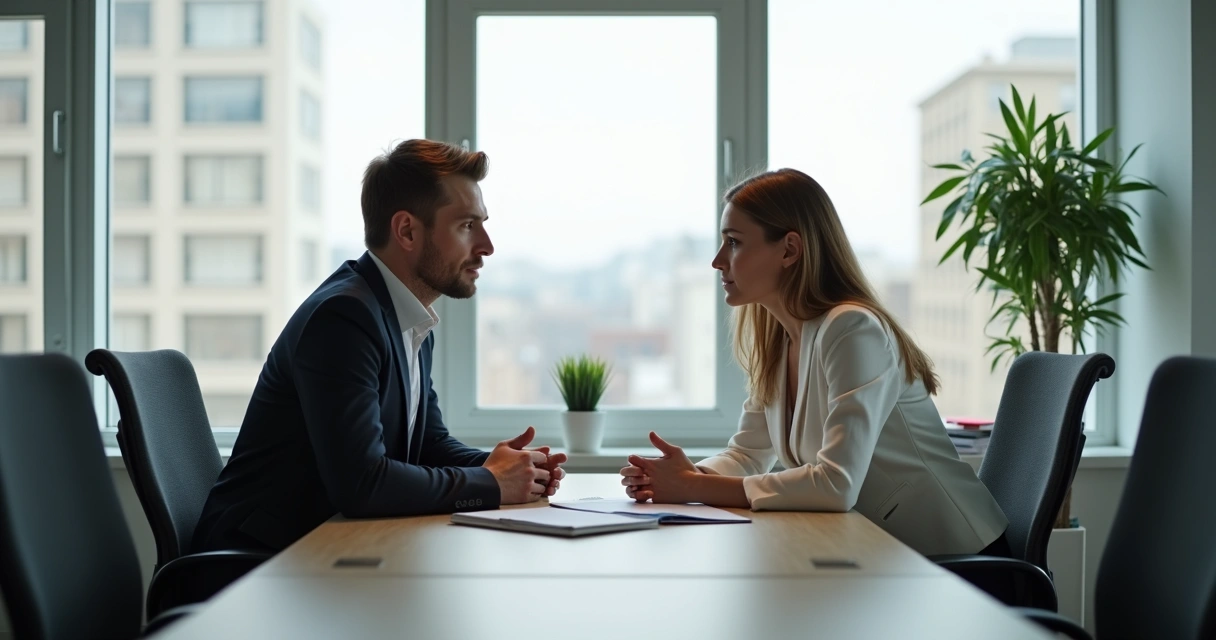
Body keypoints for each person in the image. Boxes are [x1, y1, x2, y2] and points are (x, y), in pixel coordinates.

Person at [193, 139, 565, 553]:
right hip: (255, 565)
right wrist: (491, 483)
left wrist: (507, 469)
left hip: (320, 552)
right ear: (407, 230)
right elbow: (362, 484)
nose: (486, 246)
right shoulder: (343, 319)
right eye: (466, 226)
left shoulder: (406, 317)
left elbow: (427, 444)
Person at [619, 168, 1008, 557]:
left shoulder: (853, 329)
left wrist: (692, 487)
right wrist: (682, 475)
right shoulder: (779, 336)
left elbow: (835, 484)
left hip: (958, 560)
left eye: (734, 243)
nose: (718, 261)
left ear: (789, 249)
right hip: (876, 552)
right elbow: (748, 455)